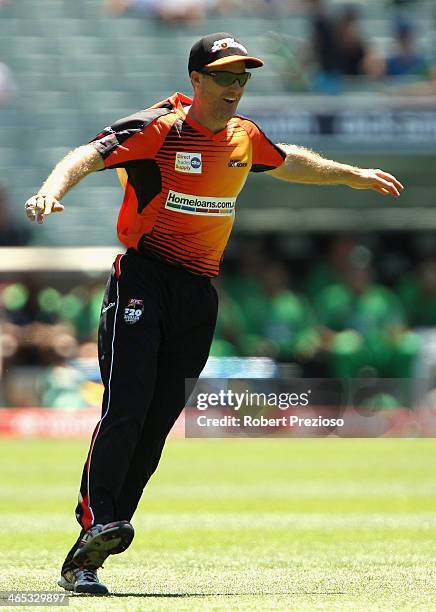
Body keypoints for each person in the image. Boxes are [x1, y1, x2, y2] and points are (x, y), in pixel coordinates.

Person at [24, 32, 404, 596]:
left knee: (156, 424)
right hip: (143, 279)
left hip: (199, 293)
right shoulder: (160, 127)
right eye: (226, 76)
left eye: (243, 77)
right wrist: (52, 189)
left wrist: (350, 174)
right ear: (197, 79)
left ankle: (93, 548)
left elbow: (287, 160)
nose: (236, 87)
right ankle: (97, 518)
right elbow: (90, 152)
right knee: (127, 406)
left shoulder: (243, 137)